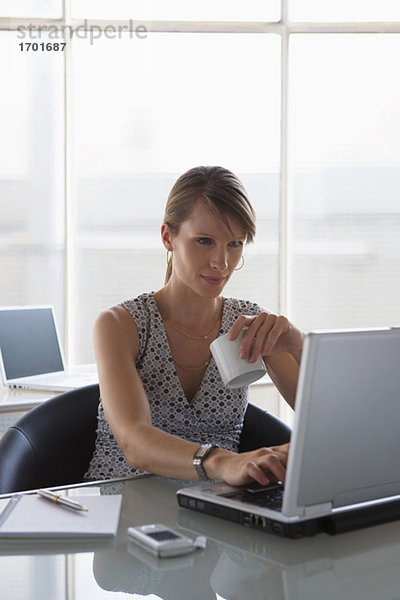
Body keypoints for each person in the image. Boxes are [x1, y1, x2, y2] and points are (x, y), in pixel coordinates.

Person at [85, 166, 304, 487]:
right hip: (118, 506)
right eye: (204, 241)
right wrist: (222, 461)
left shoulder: (250, 325)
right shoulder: (120, 325)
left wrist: (300, 344)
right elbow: (134, 443)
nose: (222, 262)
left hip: (212, 511)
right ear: (167, 238)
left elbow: (334, 427)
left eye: (234, 244)